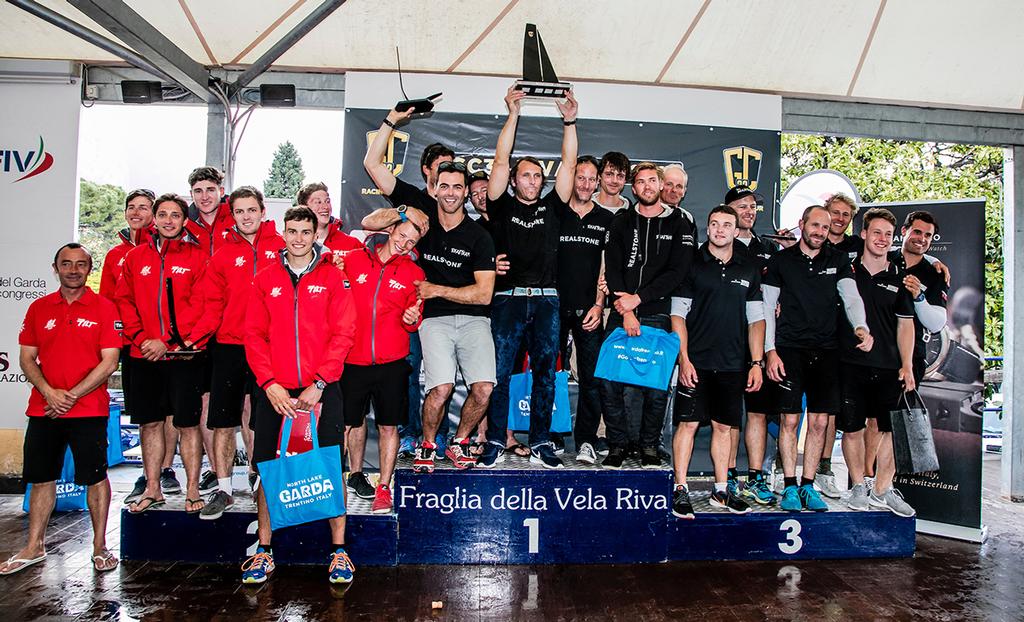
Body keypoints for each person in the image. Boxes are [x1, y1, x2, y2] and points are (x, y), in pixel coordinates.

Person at [242, 206, 357, 585]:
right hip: (275, 393)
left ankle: (339, 552)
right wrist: (269, 384)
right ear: (283, 235)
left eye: (305, 232)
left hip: (321, 392)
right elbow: (253, 336)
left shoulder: (334, 277)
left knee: (330, 468)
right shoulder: (264, 279)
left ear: (314, 235)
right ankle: (264, 551)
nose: (298, 238)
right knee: (268, 470)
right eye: (291, 231)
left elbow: (343, 335)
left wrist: (320, 383)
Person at [362, 162, 496, 474]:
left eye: (457, 187)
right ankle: (428, 443)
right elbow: (370, 223)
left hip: (476, 319)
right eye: (444, 186)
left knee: (484, 388)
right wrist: (403, 211)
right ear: (433, 189)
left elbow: (484, 294)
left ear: (465, 193)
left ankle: (459, 442)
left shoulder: (479, 236)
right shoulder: (423, 223)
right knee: (440, 388)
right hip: (434, 319)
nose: (450, 193)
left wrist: (437, 289)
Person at [0, 244, 121, 576]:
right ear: (55, 268)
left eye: (80, 264)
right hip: (43, 411)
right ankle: (33, 547)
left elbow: (109, 361)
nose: (73, 269)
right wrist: (49, 393)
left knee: (95, 478)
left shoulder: (105, 308)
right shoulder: (39, 308)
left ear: (88, 269)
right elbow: (26, 358)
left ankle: (100, 548)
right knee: (41, 479)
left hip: (89, 411)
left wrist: (70, 396)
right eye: (66, 264)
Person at [478, 85, 578, 469]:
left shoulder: (554, 207)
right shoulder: (500, 205)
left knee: (545, 374)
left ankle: (539, 442)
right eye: (526, 175)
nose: (532, 181)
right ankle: (494, 442)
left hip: (548, 299)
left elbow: (568, 166)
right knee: (500, 373)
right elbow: (500, 160)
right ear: (515, 180)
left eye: (537, 176)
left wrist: (569, 119)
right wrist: (513, 112)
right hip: (507, 299)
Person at [762, 205, 872, 512]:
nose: (820, 232)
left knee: (821, 422)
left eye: (825, 228)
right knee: (790, 420)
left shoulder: (837, 260)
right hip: (789, 349)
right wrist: (770, 351)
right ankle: (789, 485)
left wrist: (861, 327)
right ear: (802, 225)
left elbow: (852, 299)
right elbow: (768, 308)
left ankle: (809, 485)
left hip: (827, 352)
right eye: (815, 225)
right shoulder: (781, 260)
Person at [189, 187, 284, 520]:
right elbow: (211, 303)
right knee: (223, 422)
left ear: (262, 211)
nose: (246, 216)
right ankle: (225, 488)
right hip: (228, 346)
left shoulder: (282, 247)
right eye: (240, 211)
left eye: (252, 210)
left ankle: (260, 481)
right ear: (233, 214)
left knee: (262, 420)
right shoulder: (223, 255)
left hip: (269, 347)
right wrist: (193, 336)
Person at [114, 193, 210, 514]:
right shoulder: (134, 258)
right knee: (150, 424)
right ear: (154, 219)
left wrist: (170, 343)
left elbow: (203, 306)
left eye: (176, 215)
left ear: (185, 221)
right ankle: (152, 487)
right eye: (163, 214)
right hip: (143, 356)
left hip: (183, 357)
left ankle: (193, 490)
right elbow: (124, 303)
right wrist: (143, 339)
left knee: (187, 425)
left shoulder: (197, 257)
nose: (169, 220)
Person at [363, 109, 449, 456]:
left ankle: (437, 437)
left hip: (445, 304)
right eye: (441, 167)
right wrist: (390, 121)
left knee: (444, 380)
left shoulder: (455, 207)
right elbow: (372, 164)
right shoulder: (412, 199)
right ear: (428, 170)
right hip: (408, 298)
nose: (447, 178)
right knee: (410, 372)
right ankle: (410, 436)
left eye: (452, 170)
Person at [670, 206, 764, 517]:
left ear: (737, 231)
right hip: (696, 361)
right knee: (688, 424)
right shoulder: (692, 264)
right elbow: (678, 316)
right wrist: (683, 359)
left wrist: (756, 362)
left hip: (733, 364)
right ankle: (680, 488)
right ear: (707, 229)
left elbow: (757, 321)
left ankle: (721, 491)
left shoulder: (748, 268)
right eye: (714, 224)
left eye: (727, 225)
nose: (720, 230)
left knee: (725, 427)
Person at [600, 163, 695, 469]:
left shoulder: (679, 223)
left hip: (656, 315)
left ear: (660, 184)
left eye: (652, 180)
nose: (647, 186)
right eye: (640, 182)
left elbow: (677, 272)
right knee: (610, 381)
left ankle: (649, 447)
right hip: (620, 313)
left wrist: (638, 300)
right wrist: (625, 308)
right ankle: (618, 445)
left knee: (655, 386)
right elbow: (612, 266)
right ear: (634, 188)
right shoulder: (622, 220)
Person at [341, 215, 426, 513]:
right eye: (401, 236)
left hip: (392, 363)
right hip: (352, 360)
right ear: (390, 230)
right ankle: (339, 485)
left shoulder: (415, 273)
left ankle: (384, 488)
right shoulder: (353, 259)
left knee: (390, 426)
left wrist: (412, 320)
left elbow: (414, 317)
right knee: (347, 424)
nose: (404, 244)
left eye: (411, 242)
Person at [838, 208, 916, 516]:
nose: (882, 239)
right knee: (852, 429)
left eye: (888, 234)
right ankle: (859, 486)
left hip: (888, 366)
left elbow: (905, 324)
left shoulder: (899, 279)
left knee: (890, 429)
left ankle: (883, 488)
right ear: (864, 235)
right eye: (876, 233)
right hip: (849, 362)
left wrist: (907, 364)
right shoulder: (845, 271)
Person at [723, 184, 778, 505]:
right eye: (742, 206)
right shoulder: (717, 245)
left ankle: (756, 477)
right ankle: (728, 476)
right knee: (728, 416)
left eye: (752, 207)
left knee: (756, 413)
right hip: (726, 343)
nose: (748, 211)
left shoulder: (770, 249)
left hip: (761, 343)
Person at [556, 155, 613, 465]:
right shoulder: (556, 213)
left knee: (592, 378)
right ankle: (550, 438)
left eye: (592, 179)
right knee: (548, 376)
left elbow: (606, 268)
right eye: (581, 177)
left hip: (589, 311)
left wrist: (599, 304)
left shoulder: (606, 219)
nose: (586, 184)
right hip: (552, 307)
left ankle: (586, 441)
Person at [99, 189, 154, 504]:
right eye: (131, 207)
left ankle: (161, 474)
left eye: (144, 208)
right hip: (125, 345)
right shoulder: (115, 254)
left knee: (166, 415)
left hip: (154, 345)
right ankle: (147, 476)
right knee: (142, 415)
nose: (136, 212)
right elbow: (108, 301)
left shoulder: (159, 249)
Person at [299, 181, 362, 255]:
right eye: (318, 202)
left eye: (327, 201)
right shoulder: (293, 243)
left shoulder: (352, 244)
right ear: (304, 208)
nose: (325, 207)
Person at [185, 166, 234, 257]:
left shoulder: (238, 220)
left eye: (210, 190)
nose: (204, 197)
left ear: (221, 192)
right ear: (192, 194)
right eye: (198, 191)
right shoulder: (184, 224)